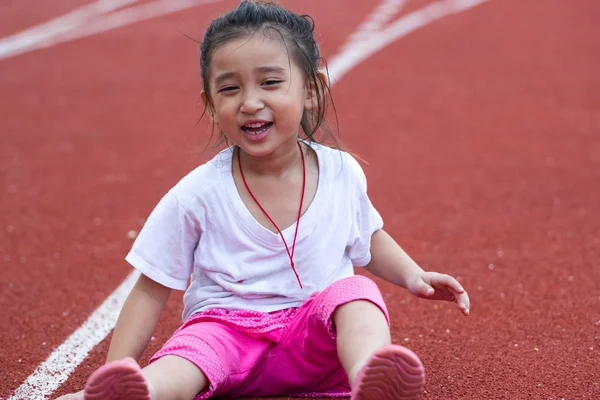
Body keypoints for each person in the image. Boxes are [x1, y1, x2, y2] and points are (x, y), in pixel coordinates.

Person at [58, 1, 470, 399]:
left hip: (314, 343)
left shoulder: (342, 173)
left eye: (270, 82)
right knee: (186, 358)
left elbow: (368, 235)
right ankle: (141, 391)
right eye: (230, 88)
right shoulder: (196, 195)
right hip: (224, 336)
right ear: (211, 104)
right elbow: (150, 289)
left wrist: (413, 275)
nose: (250, 102)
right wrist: (115, 369)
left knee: (356, 295)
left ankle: (370, 375)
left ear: (310, 91)